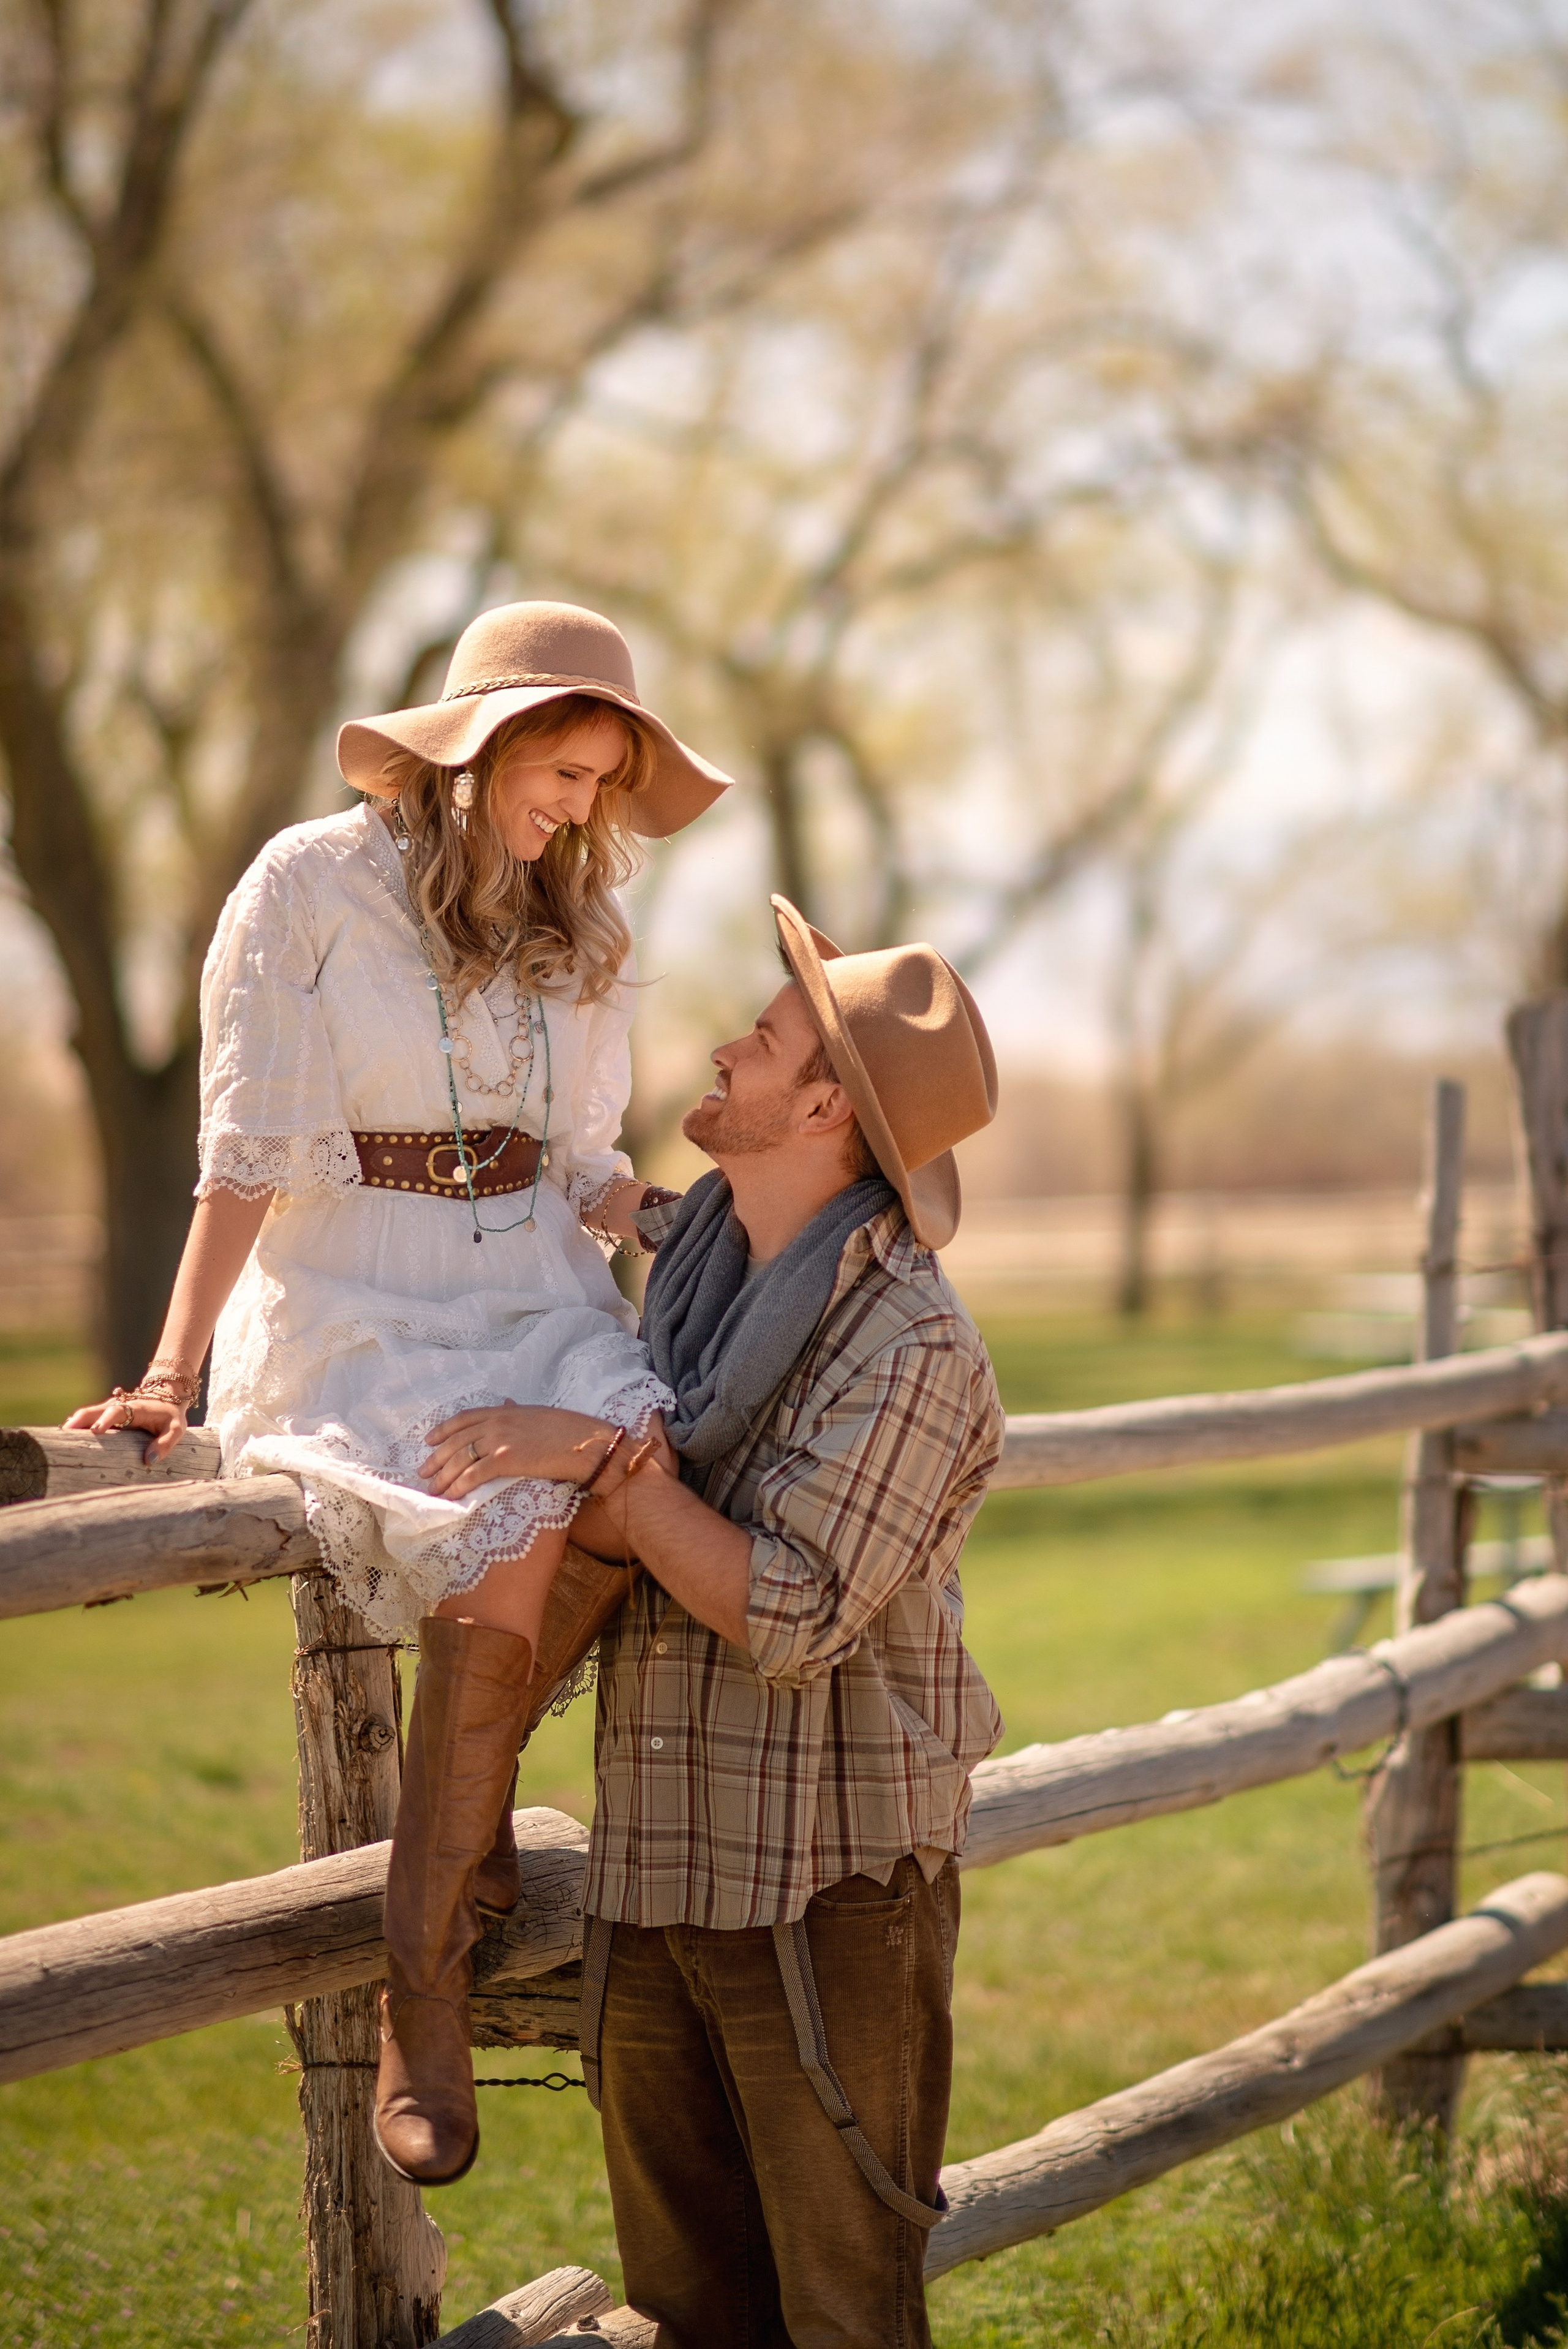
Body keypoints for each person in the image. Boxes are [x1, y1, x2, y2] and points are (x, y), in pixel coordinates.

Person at [65, 600, 729, 2190]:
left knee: (648, 1464)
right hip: (356, 1284)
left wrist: (674, 1217)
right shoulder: (305, 885)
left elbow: (577, 1164)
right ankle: (422, 1984)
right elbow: (246, 1150)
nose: (578, 809)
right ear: (481, 744)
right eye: (561, 771)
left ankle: (460, 1825)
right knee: (509, 1509)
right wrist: (168, 1372)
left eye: (601, 783)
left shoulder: (583, 918)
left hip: (532, 1282)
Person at [426, 895, 1004, 2348]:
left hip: (822, 1887)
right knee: (684, 2309)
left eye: (761, 1037)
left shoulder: (910, 1341)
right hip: (657, 1867)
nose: (725, 1049)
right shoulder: (706, 1266)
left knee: (842, 2312)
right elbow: (640, 1211)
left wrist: (603, 1469)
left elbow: (791, 1610)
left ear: (822, 1105)